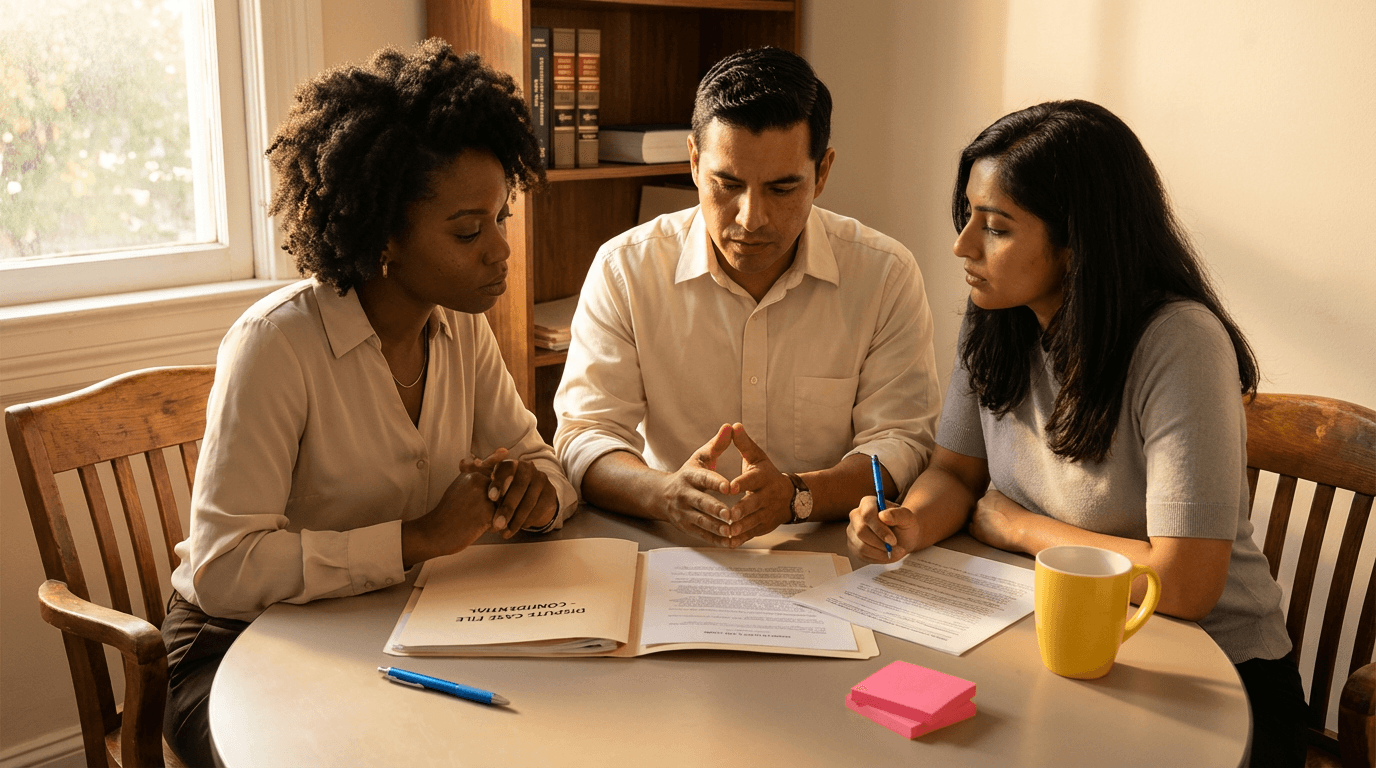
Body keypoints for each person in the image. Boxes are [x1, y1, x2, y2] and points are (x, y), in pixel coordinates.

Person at [848, 100, 1305, 767]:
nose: (963, 246)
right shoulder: (998, 319)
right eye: (967, 216)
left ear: (1076, 242)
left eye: (996, 227)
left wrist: (1018, 529)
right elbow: (954, 475)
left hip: (1209, 681)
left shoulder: (1179, 343)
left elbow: (1181, 584)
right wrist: (909, 523)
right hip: (1063, 650)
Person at [161, 40, 577, 766]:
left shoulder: (463, 329)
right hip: (241, 650)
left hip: (386, 628)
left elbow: (540, 455)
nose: (501, 252)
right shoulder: (275, 348)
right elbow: (224, 570)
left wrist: (536, 496)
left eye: (501, 218)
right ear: (384, 236)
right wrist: (415, 538)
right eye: (468, 231)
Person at [554, 48, 941, 548]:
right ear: (694, 163)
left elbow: (901, 442)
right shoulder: (625, 269)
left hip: (828, 555)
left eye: (782, 190)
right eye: (727, 184)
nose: (750, 218)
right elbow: (586, 435)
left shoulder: (884, 275)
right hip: (669, 551)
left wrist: (798, 495)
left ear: (822, 173)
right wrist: (664, 494)